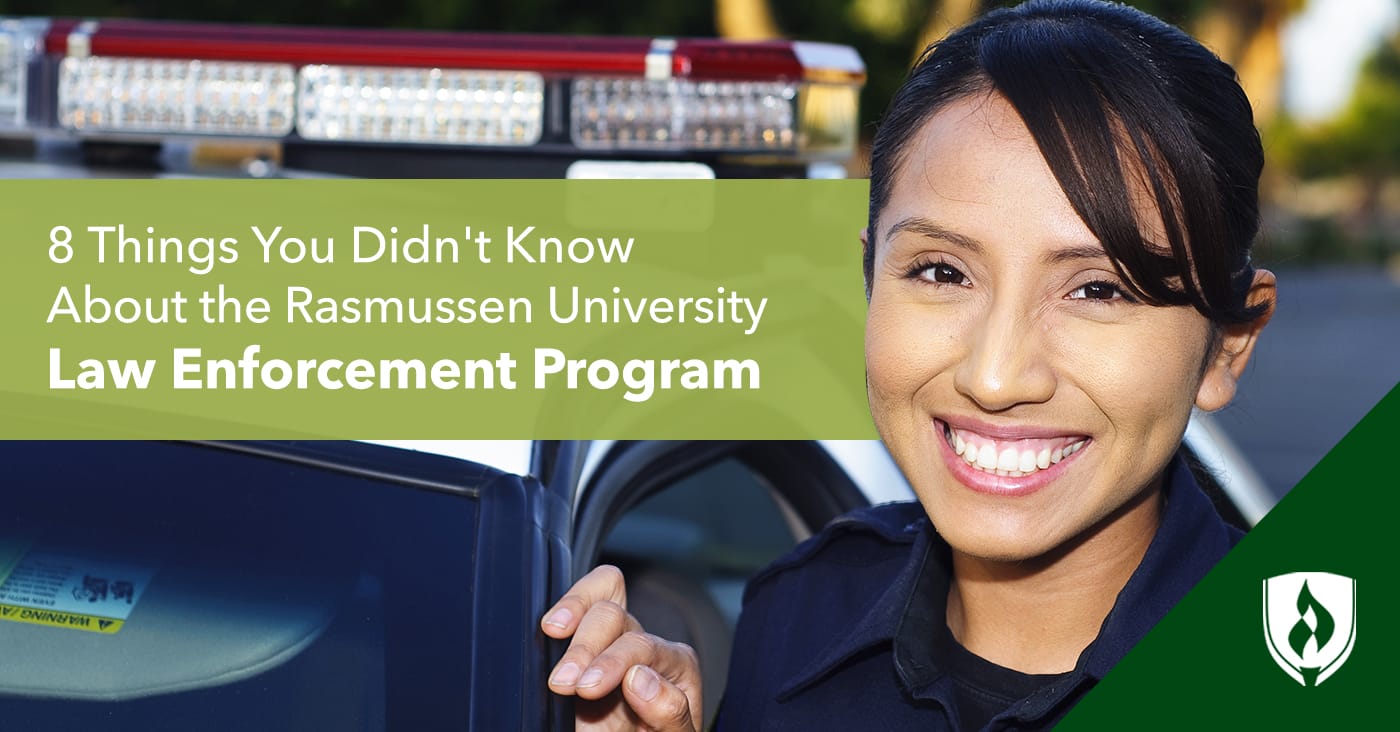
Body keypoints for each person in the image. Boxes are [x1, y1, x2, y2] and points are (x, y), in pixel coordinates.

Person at [540, 0, 1277, 729]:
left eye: (1099, 288)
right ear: (868, 281)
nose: (994, 377)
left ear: (1226, 347)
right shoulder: (799, 616)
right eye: (942, 273)